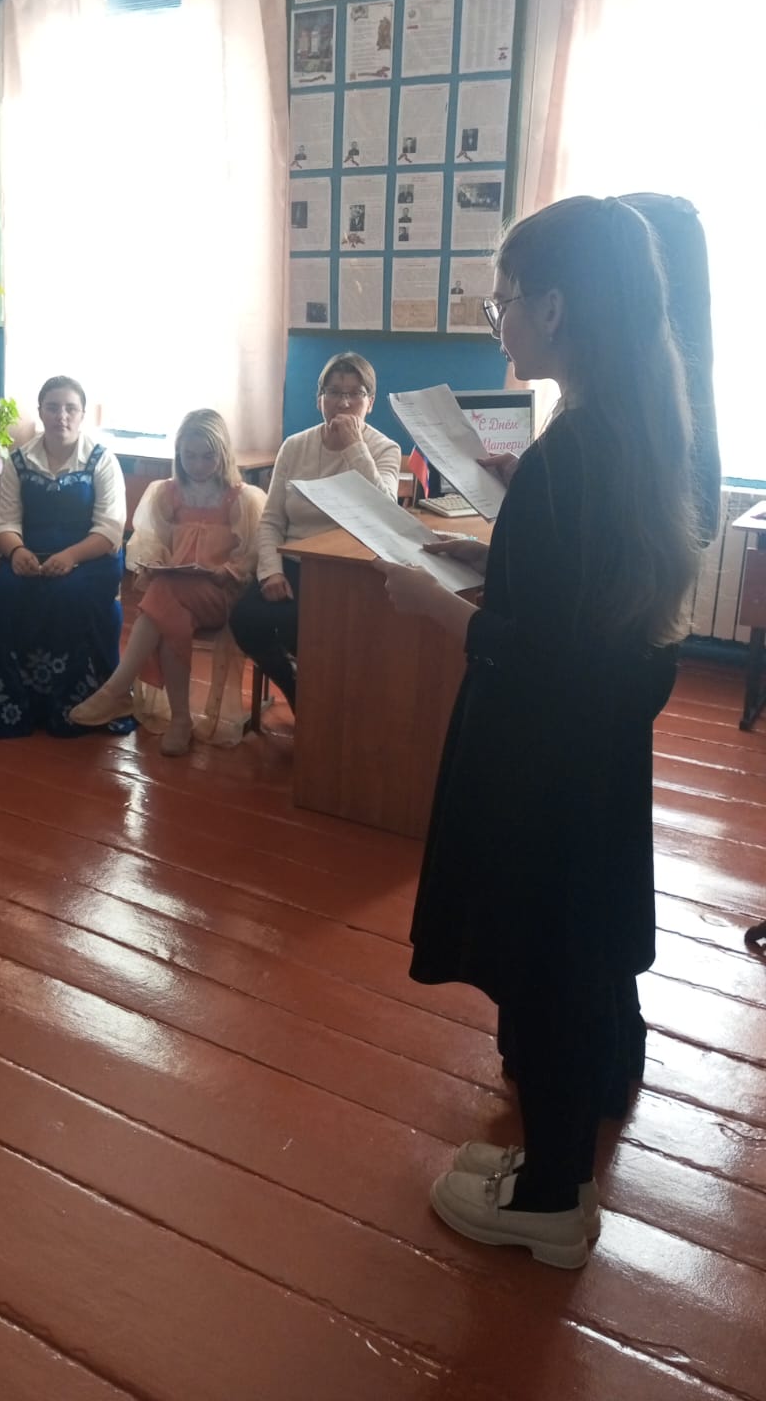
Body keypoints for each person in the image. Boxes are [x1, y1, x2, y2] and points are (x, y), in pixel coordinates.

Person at [379, 195, 699, 1269]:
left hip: (543, 760)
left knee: (548, 964)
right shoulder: (628, 423)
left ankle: (553, 1202)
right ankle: (557, 1153)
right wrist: (497, 546)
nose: (498, 321)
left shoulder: (576, 450)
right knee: (576, 957)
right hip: (593, 755)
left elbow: (545, 656)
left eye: (504, 300)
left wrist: (435, 604)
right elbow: (580, 594)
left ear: (556, 307)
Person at [69, 409, 266, 755]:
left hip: (221, 593)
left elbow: (253, 553)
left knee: (162, 601)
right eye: (190, 455)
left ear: (223, 453)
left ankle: (117, 691)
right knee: (169, 611)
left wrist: (227, 570)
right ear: (179, 454)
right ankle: (180, 721)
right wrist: (157, 561)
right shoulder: (167, 493)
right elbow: (149, 541)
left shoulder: (241, 498)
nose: (198, 464)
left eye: (208, 456)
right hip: (177, 592)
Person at [229, 352, 401, 713]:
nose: (344, 403)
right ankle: (297, 691)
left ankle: (330, 705)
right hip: (295, 562)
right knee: (245, 620)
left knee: (316, 632)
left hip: (350, 569)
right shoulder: (295, 446)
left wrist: (355, 448)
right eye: (334, 392)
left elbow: (386, 512)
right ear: (319, 398)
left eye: (355, 394)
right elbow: (272, 520)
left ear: (370, 402)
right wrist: (271, 571)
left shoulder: (385, 449)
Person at [0, 375, 131, 739]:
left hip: (90, 557)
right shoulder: (18, 461)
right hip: (30, 554)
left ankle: (75, 704)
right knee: (9, 591)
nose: (62, 416)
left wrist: (71, 557)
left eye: (70, 408)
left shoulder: (102, 460)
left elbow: (110, 529)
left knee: (68, 593)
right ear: (41, 412)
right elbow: (4, 523)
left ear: (83, 414)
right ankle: (13, 704)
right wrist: (17, 551)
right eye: (53, 407)